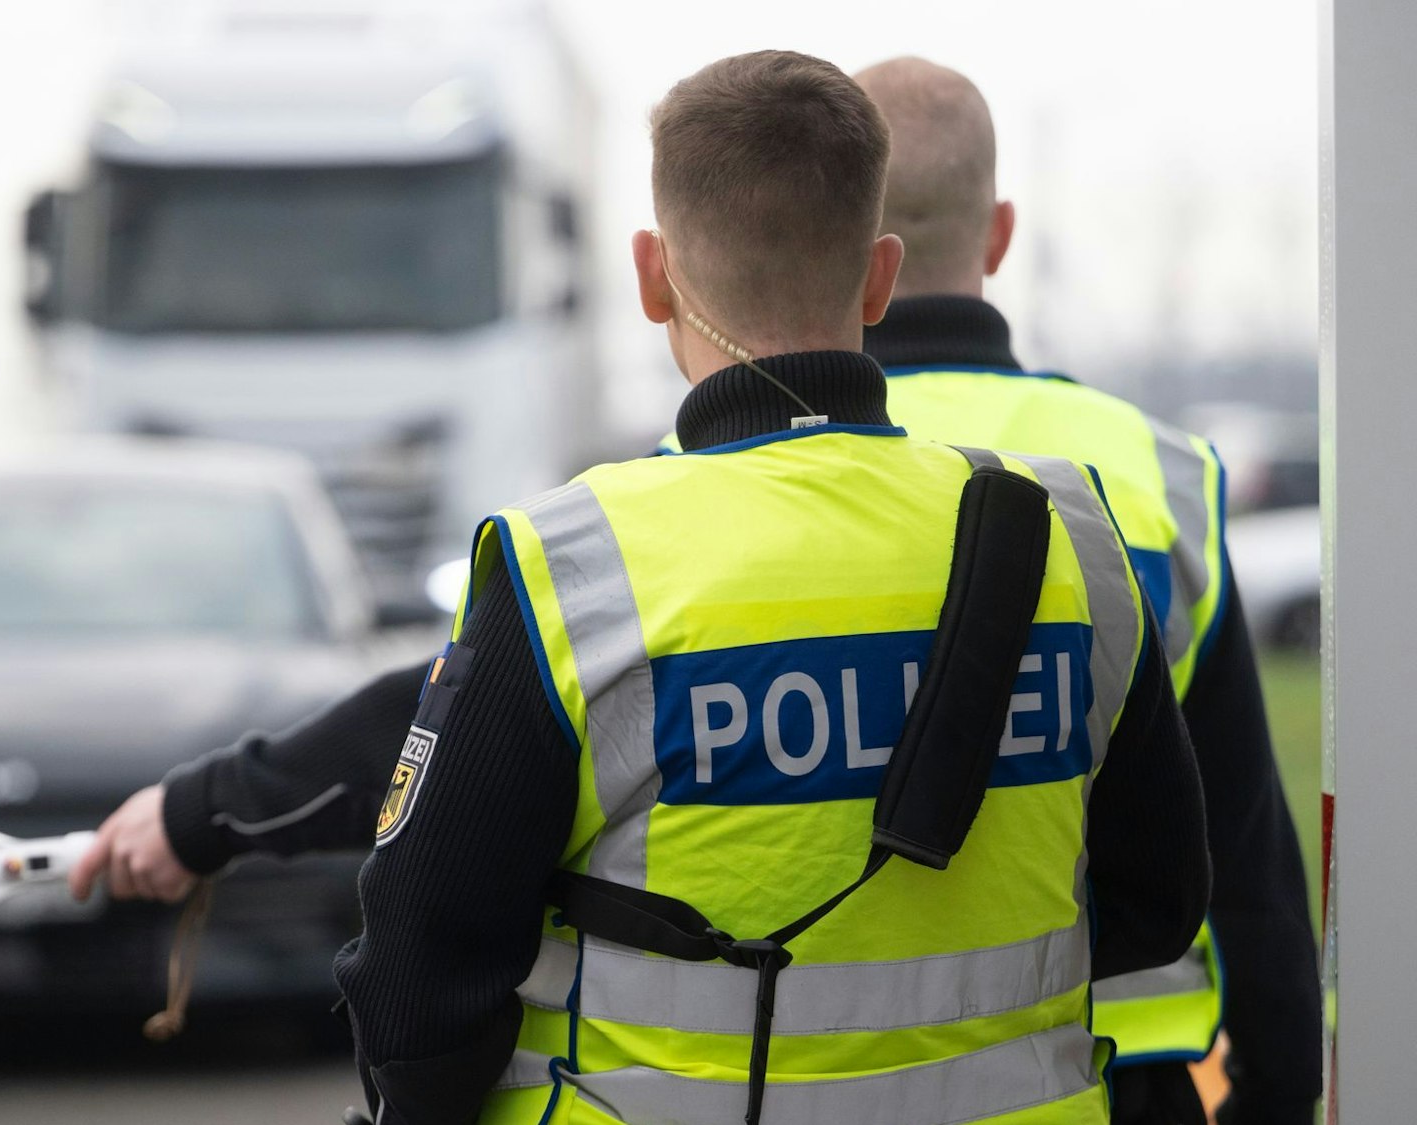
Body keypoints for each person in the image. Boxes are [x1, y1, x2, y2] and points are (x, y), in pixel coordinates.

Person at [324, 51, 1206, 1125]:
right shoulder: (1072, 535)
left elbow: (418, 969)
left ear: (651, 276)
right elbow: (1158, 900)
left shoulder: (574, 561)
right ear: (878, 280)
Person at [841, 57, 1318, 1125]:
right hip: (1120, 1072)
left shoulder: (719, 472)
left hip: (804, 1078)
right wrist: (1278, 1090)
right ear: (998, 235)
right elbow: (1241, 840)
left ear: (840, 245)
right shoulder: (1155, 471)